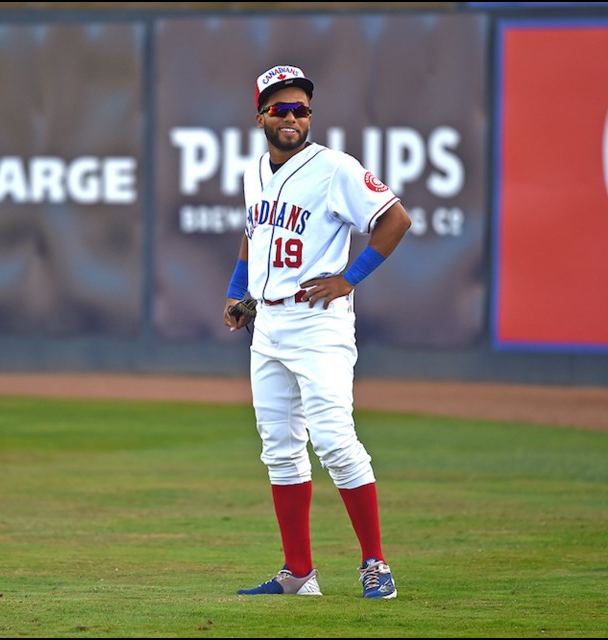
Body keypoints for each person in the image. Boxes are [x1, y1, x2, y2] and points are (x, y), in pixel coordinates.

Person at [223, 64, 411, 599]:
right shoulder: (254, 170)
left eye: (301, 108)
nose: (291, 117)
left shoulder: (335, 168)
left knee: (334, 440)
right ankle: (299, 573)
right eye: (280, 108)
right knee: (280, 450)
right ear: (261, 115)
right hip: (269, 322)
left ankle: (375, 563)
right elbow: (252, 235)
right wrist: (238, 292)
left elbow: (395, 219)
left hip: (317, 324)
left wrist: (350, 279)